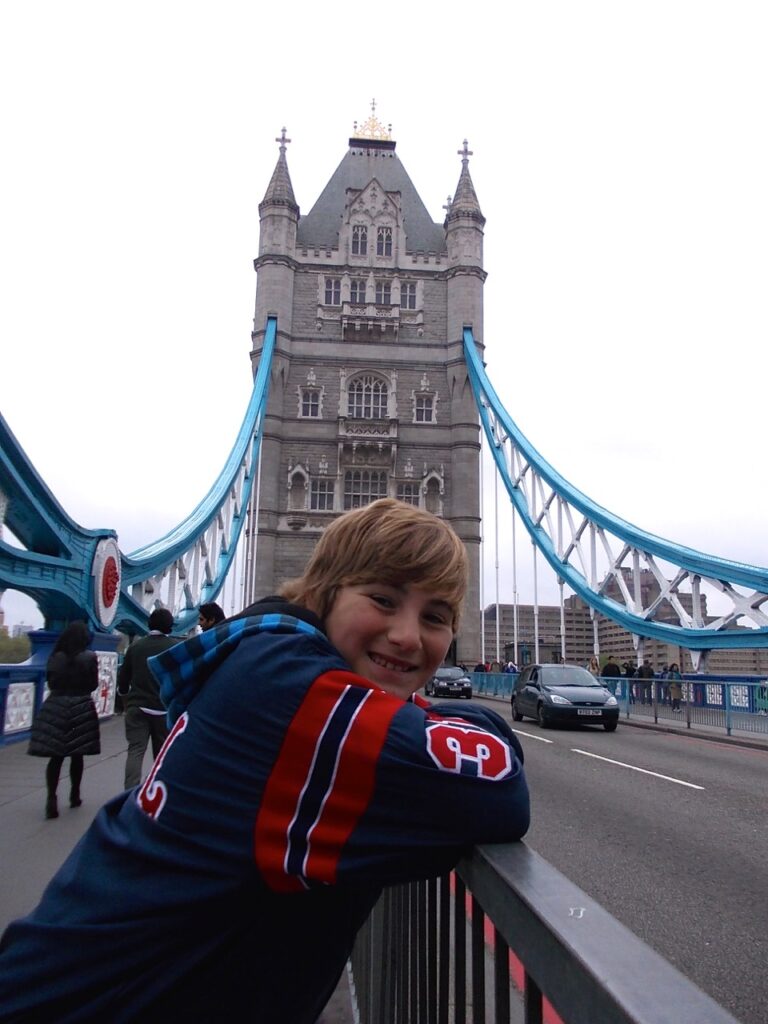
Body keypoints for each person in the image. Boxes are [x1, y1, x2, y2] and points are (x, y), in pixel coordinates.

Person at [0, 498, 530, 1023]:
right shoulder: (286, 688)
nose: (408, 636)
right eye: (383, 599)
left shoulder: (260, 657)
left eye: (435, 616)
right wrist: (463, 722)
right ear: (325, 593)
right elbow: (496, 785)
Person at [27, 620, 100, 819]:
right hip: (81, 706)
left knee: (56, 756)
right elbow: (93, 684)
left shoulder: (55, 657)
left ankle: (51, 798)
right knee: (77, 754)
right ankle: (75, 794)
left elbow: (51, 682)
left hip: (56, 705)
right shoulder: (89, 657)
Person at [117, 607, 179, 789]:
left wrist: (125, 702)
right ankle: (157, 791)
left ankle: (129, 790)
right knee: (161, 754)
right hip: (163, 709)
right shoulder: (174, 647)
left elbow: (123, 681)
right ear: (169, 626)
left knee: (135, 750)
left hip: (137, 707)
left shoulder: (135, 647)